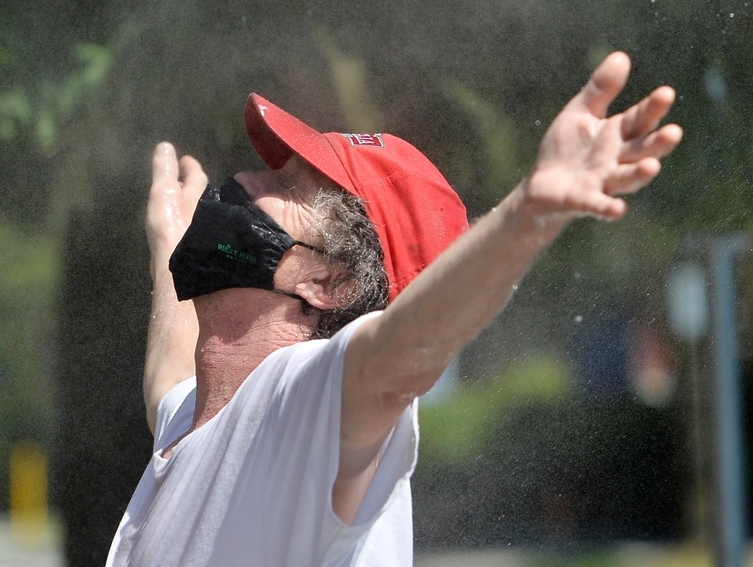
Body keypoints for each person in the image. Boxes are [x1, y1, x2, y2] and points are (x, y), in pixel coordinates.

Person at [106, 51, 682, 566]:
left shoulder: (309, 404)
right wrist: (168, 242)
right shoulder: (199, 420)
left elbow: (405, 349)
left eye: (288, 182)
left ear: (329, 281)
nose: (244, 177)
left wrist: (528, 215)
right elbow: (170, 375)